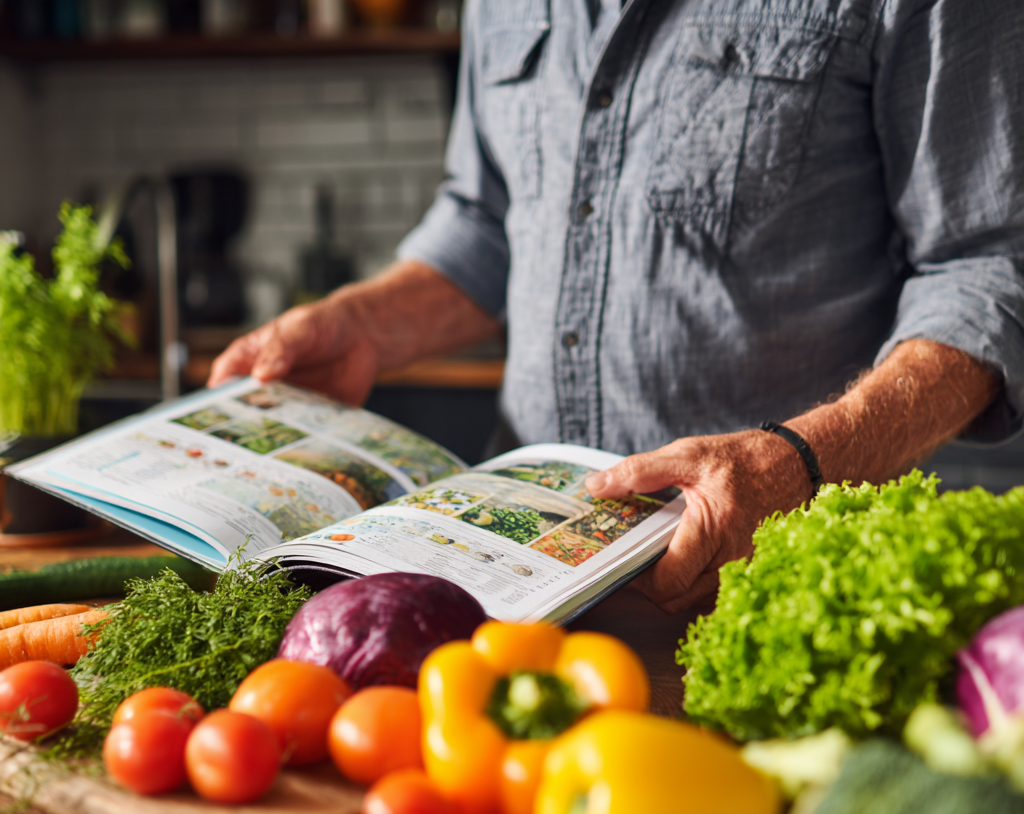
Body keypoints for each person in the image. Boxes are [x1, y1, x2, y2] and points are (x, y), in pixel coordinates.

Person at [210, 0, 1023, 614]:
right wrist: (360, 321)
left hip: (771, 584)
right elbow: (488, 221)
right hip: (512, 584)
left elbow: (990, 270)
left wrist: (797, 464)